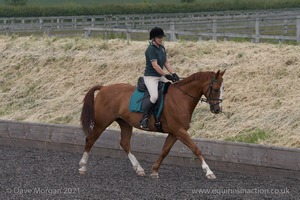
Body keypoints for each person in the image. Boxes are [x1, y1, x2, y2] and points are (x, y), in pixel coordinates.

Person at [140, 27, 180, 130]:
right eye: (159, 37)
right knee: (154, 97)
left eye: (162, 37)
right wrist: (166, 75)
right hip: (151, 77)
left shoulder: (162, 48)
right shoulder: (150, 49)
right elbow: (155, 66)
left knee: (172, 90)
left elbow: (166, 62)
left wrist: (173, 73)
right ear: (153, 38)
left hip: (160, 76)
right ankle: (144, 118)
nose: (161, 39)